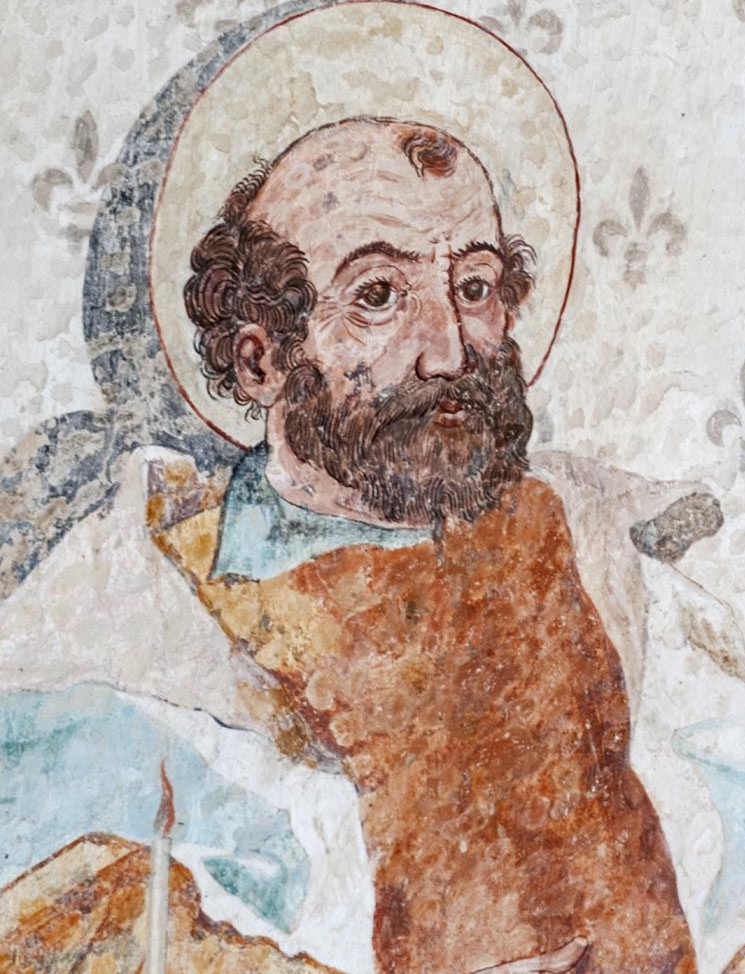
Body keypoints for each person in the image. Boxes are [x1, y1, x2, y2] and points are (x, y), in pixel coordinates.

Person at [154, 115, 698, 973]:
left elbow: (744, 820)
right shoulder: (165, 599)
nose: (447, 353)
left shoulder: (590, 533)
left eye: (474, 287)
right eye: (378, 295)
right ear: (260, 361)